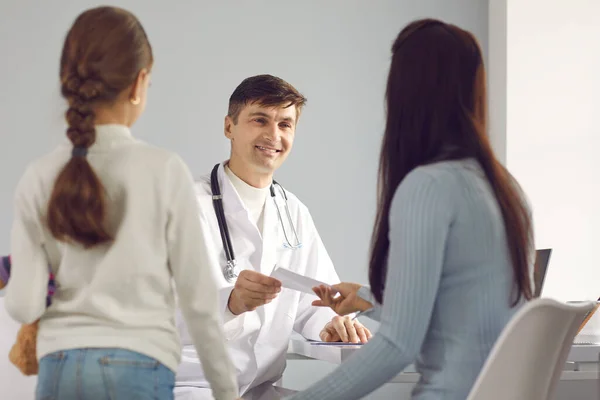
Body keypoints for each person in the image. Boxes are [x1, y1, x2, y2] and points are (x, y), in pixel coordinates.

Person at [287, 18, 535, 400]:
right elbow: (462, 313)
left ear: (404, 93)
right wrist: (371, 298)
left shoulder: (428, 187)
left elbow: (397, 346)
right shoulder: (505, 188)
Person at [4, 6, 239, 400]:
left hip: (58, 370)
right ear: (139, 83)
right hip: (139, 369)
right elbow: (199, 305)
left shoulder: (38, 175)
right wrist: (227, 393)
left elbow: (24, 306)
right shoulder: (164, 170)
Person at [174, 74, 372, 400]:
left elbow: (316, 300)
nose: (273, 134)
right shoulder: (184, 205)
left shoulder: (293, 212)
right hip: (191, 387)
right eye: (260, 119)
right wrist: (230, 303)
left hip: (261, 389)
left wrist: (334, 324)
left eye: (285, 124)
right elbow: (156, 313)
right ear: (229, 127)